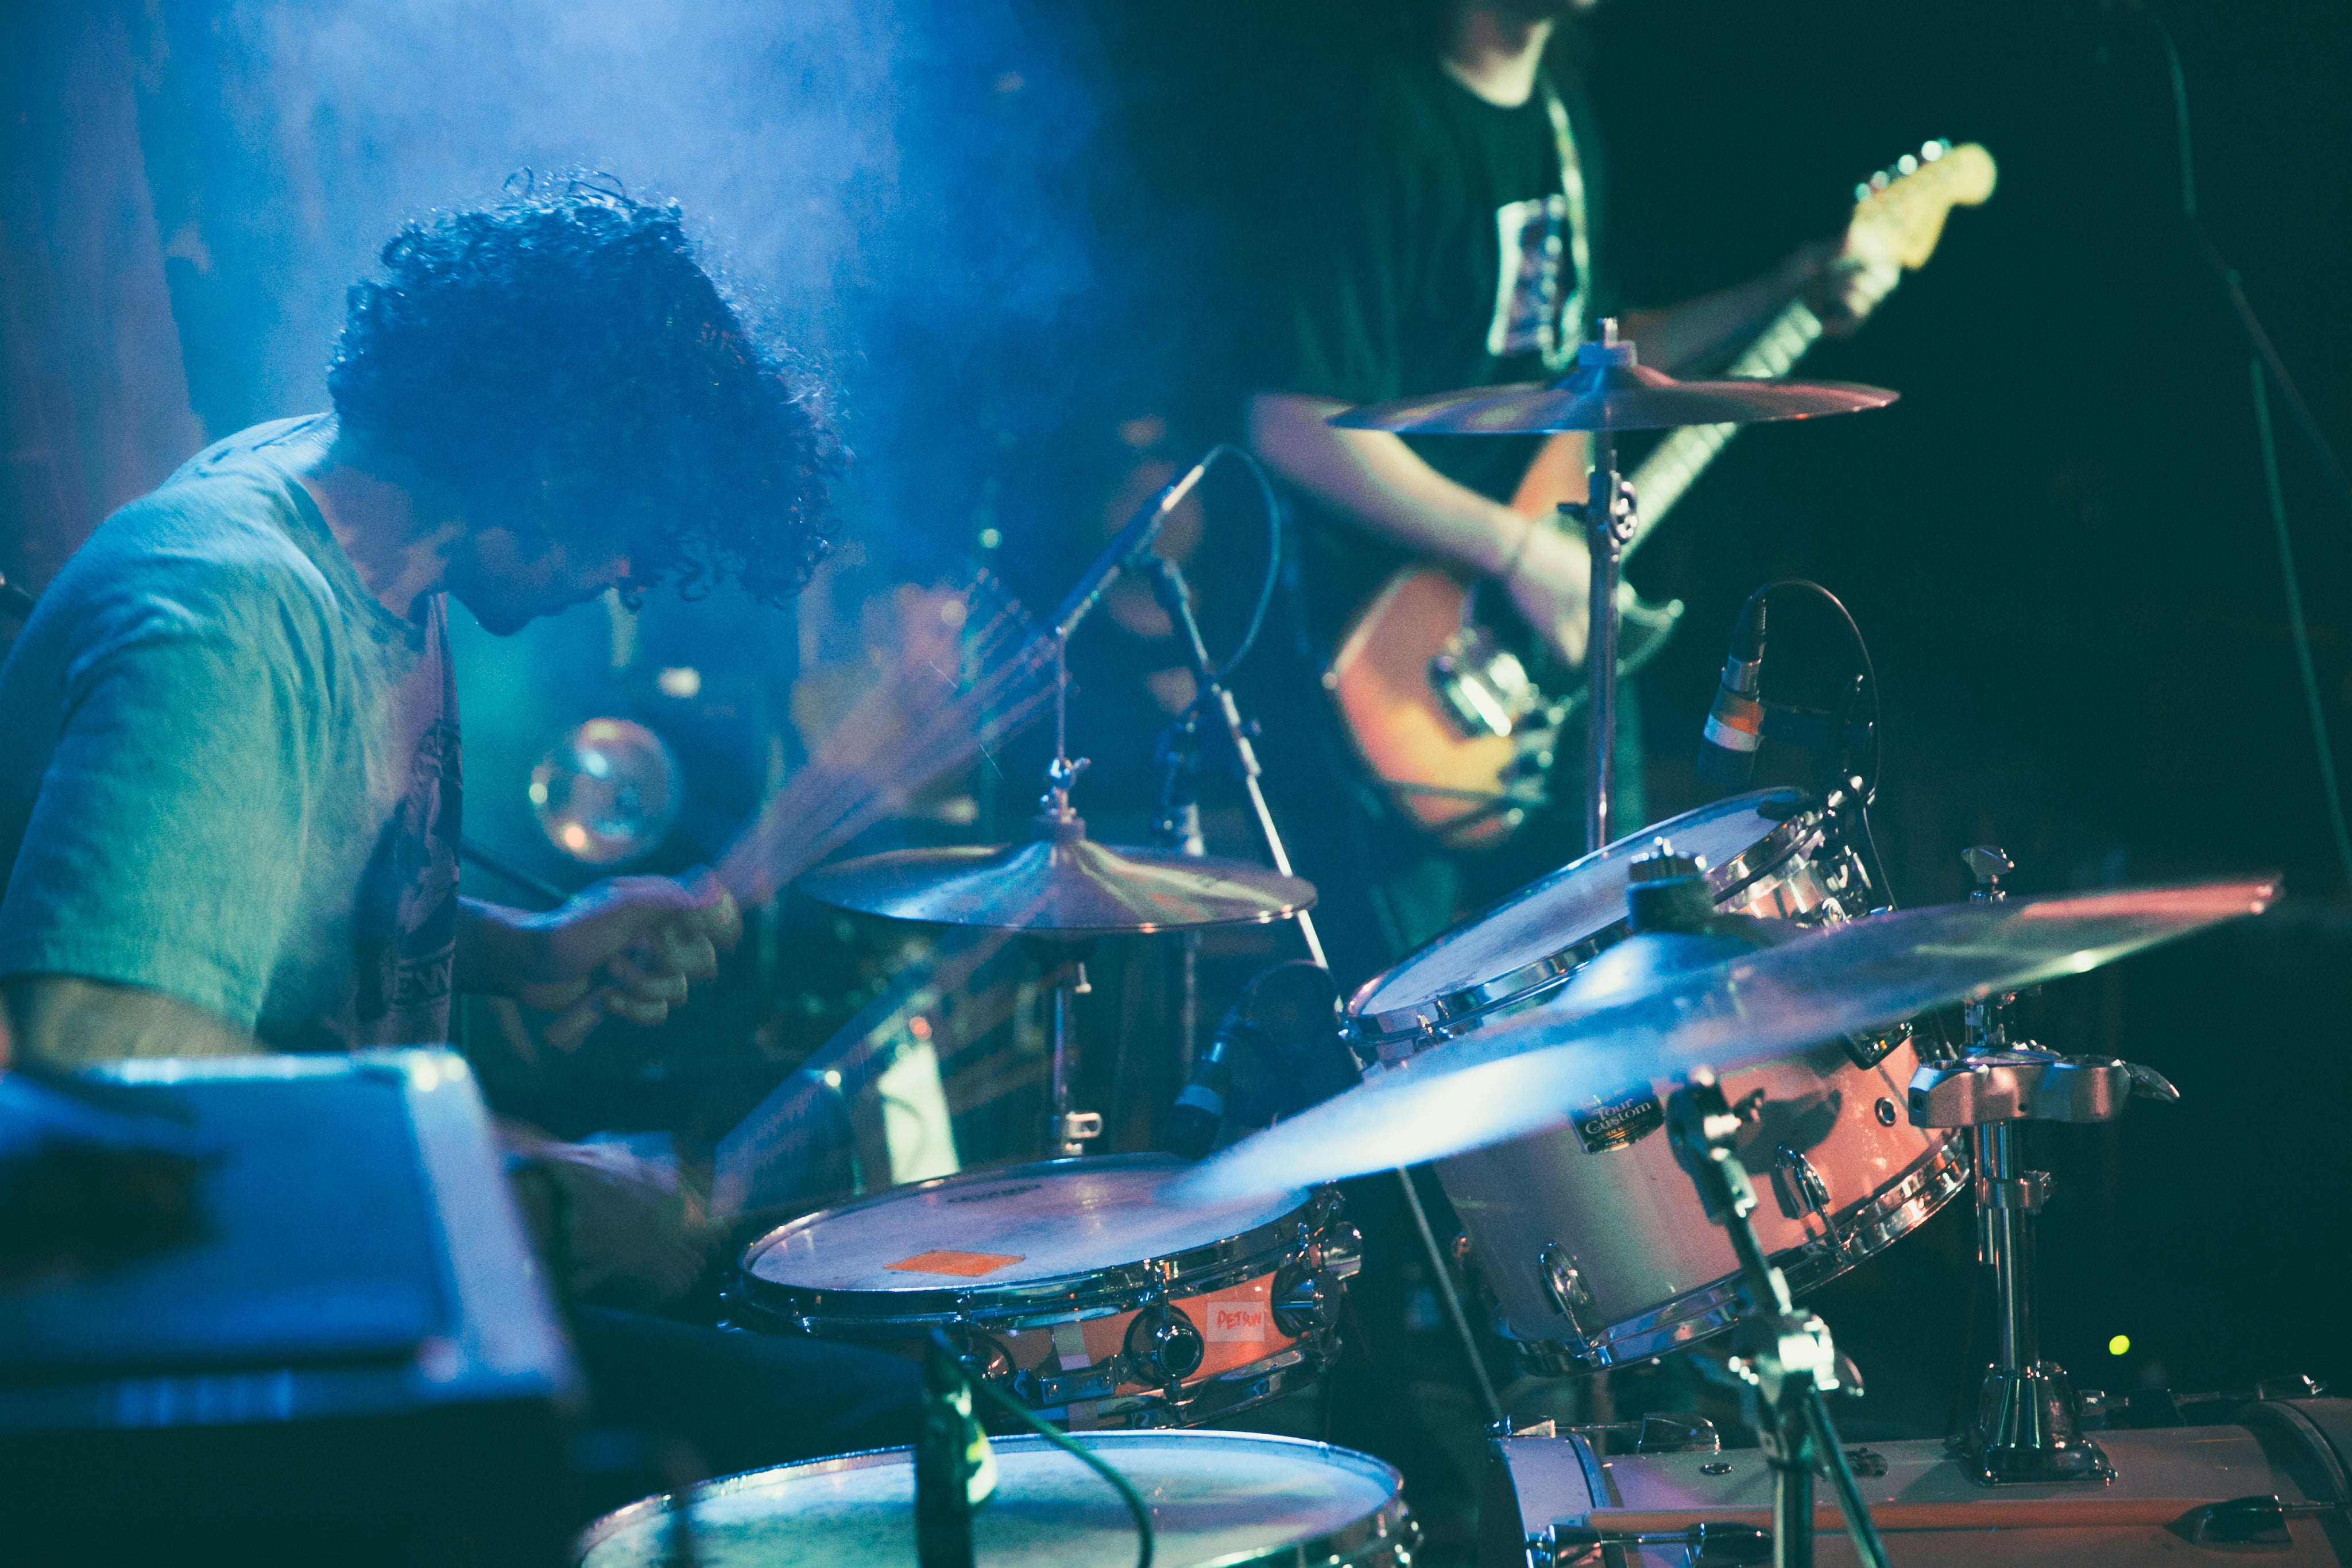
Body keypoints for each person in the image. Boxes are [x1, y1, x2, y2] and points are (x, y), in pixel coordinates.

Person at [0, 178, 918, 1483]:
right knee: (877, 1427)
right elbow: (99, 1064)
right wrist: (525, 1188)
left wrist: (520, 949)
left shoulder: (359, 532)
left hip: (302, 1289)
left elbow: (255, 886)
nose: (629, 574)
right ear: (553, 456)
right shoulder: (227, 620)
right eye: (632, 524)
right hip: (174, 1357)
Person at [1236, 0, 1902, 1543]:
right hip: (1399, 677)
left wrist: (1782, 294)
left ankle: (1590, 1412)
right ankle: (1398, 1468)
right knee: (1412, 1093)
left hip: (1534, 693)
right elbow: (1291, 416)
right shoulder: (1385, 122)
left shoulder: (1556, 113)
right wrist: (1518, 553)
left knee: (1576, 1053)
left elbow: (1583, 359)